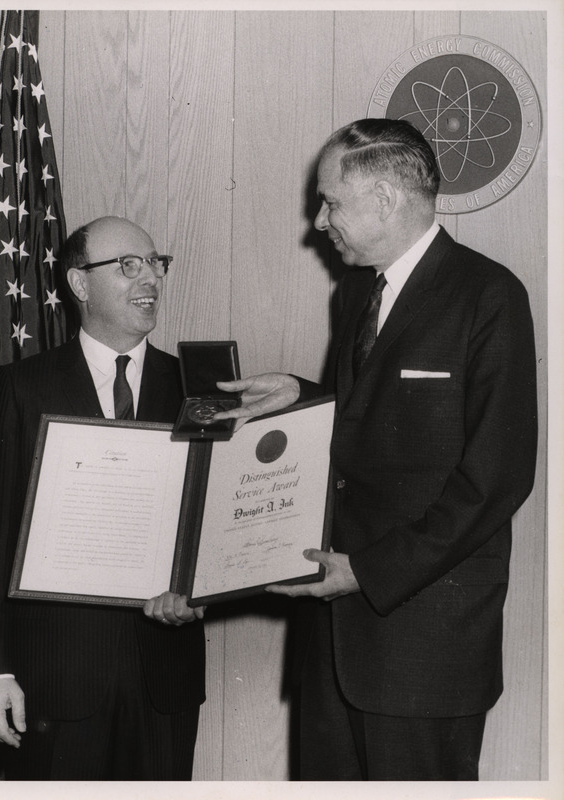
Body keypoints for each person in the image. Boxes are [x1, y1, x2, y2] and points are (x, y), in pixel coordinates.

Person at [215, 119, 538, 780]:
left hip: (422, 644)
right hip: (333, 638)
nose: (318, 221)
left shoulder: (488, 295)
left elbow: (496, 477)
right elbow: (380, 419)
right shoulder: (358, 294)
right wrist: (302, 394)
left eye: (330, 201)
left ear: (385, 200)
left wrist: (368, 572)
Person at [0, 216, 206, 780]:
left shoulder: (194, 389)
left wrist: (205, 591)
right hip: (53, 682)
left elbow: (214, 525)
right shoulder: (20, 389)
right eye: (129, 265)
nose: (150, 278)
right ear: (78, 284)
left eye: (156, 263)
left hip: (164, 679)